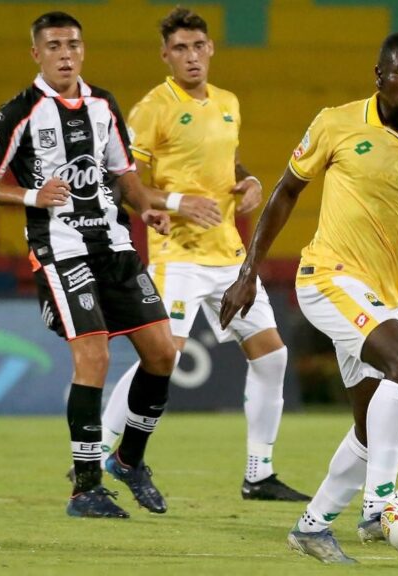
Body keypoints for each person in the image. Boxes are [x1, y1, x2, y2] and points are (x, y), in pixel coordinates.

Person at [220, 32, 398, 563]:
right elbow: (284, 193)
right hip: (326, 276)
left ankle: (312, 525)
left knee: (370, 426)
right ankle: (381, 503)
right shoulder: (336, 122)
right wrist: (248, 271)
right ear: (380, 76)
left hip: (379, 294)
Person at [96, 7, 309, 502]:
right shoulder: (153, 108)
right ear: (165, 56)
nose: (191, 57)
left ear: (210, 49)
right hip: (178, 257)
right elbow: (123, 178)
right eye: (180, 49)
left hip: (229, 257)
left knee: (272, 356)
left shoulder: (228, 102)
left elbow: (224, 157)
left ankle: (259, 474)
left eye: (198, 47)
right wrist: (170, 203)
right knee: (161, 356)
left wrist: (251, 180)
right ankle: (99, 451)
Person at [0, 11, 179, 518]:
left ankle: (129, 461)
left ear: (83, 50)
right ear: (37, 54)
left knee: (162, 353)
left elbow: (124, 174)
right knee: (94, 359)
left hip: (114, 245)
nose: (65, 53)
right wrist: (30, 194)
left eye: (72, 44)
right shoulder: (18, 112)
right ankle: (85, 488)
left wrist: (147, 208)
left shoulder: (104, 103)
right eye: (53, 45)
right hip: (61, 251)